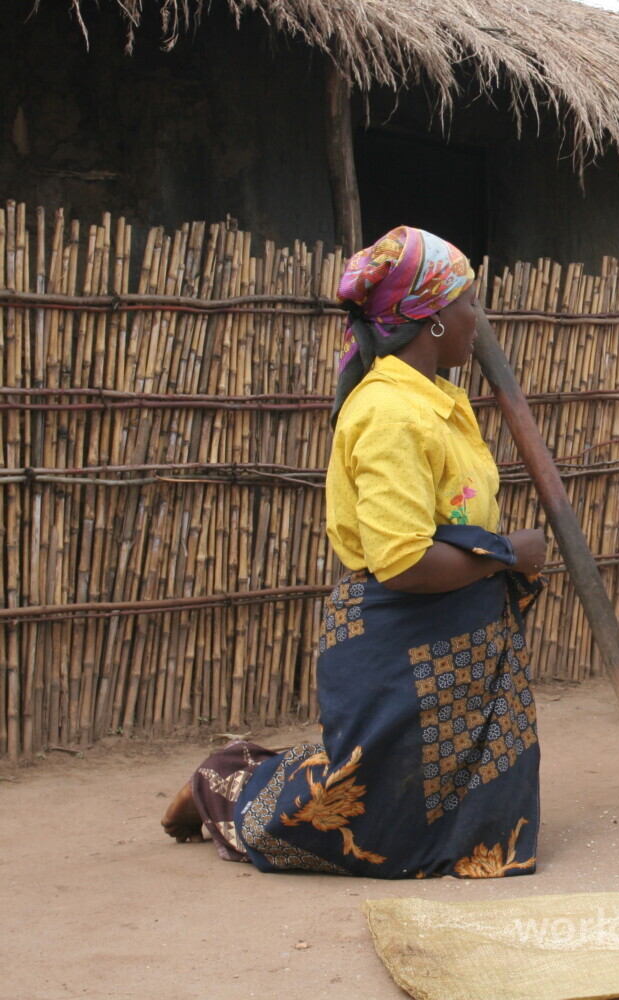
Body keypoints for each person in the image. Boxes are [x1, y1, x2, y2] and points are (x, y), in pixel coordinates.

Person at [160, 226, 549, 878]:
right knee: (351, 824)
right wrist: (508, 553)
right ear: (429, 321)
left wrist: (497, 560)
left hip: (455, 635)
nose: (477, 318)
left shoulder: (441, 401)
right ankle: (224, 787)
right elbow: (403, 563)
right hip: (402, 636)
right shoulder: (389, 414)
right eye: (468, 302)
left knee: (473, 827)